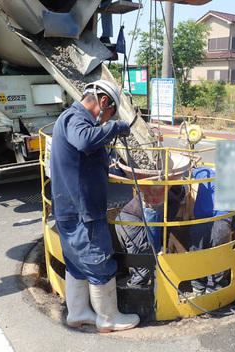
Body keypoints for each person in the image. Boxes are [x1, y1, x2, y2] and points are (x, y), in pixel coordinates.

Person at [50, 79, 140, 333]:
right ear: (103, 102)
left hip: (68, 209)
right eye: (110, 112)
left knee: (77, 263)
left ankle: (78, 313)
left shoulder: (69, 119)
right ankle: (108, 318)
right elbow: (84, 141)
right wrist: (115, 127)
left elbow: (83, 154)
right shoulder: (76, 119)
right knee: (99, 260)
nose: (106, 119)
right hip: (83, 213)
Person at [115, 185, 185, 288]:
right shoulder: (174, 200)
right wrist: (163, 246)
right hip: (133, 225)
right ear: (180, 195)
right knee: (144, 262)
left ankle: (133, 279)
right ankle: (135, 295)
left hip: (120, 220)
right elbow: (164, 225)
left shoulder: (153, 191)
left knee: (133, 257)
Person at [189, 167, 235, 295]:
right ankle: (214, 288)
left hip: (200, 221)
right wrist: (233, 228)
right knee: (219, 256)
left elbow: (188, 171)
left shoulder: (205, 172)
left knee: (197, 254)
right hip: (222, 221)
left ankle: (197, 288)